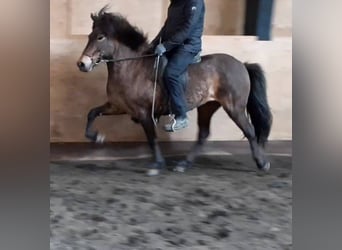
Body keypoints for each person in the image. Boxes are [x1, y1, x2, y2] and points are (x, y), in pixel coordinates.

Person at [148, 0, 206, 132]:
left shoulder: (195, 2)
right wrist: (153, 44)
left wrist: (166, 46)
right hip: (174, 45)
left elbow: (187, 28)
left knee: (171, 74)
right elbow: (167, 27)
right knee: (152, 66)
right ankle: (159, 108)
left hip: (188, 47)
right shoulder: (175, 3)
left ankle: (181, 116)